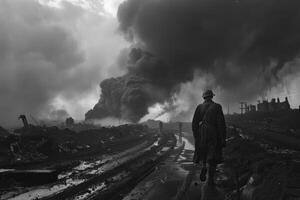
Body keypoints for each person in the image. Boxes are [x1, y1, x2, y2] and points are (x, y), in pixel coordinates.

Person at [192, 89, 226, 186]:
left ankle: (203, 166)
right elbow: (221, 124)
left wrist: (196, 136)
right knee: (213, 152)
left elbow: (194, 123)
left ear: (204, 97)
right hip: (213, 133)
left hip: (201, 132)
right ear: (212, 96)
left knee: (203, 150)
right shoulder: (217, 107)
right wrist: (222, 138)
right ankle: (210, 178)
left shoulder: (199, 107)